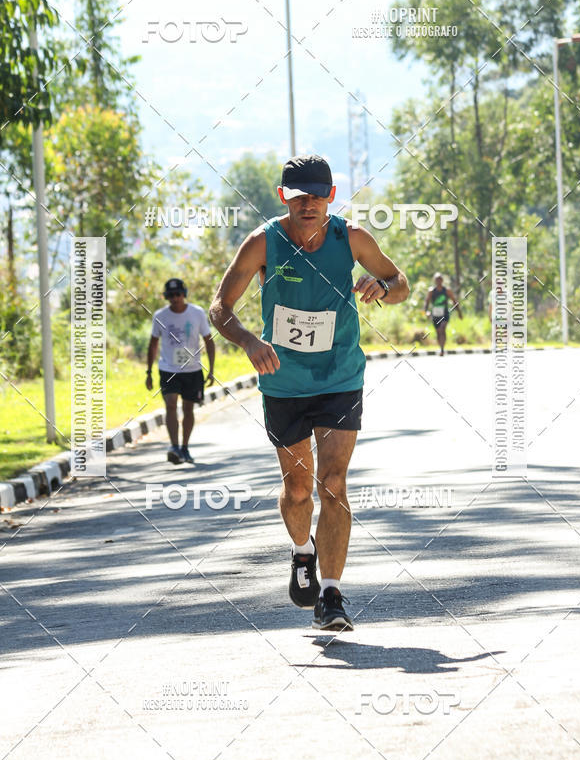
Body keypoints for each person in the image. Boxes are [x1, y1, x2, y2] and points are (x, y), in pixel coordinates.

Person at [210, 155, 409, 631]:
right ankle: (303, 552)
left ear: (331, 196)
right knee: (299, 490)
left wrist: (381, 289)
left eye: (317, 195)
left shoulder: (352, 237)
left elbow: (400, 283)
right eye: (299, 196)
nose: (309, 204)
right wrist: (249, 341)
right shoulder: (263, 243)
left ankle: (332, 594)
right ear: (284, 197)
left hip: (340, 375)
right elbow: (220, 307)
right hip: (284, 381)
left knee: (333, 484)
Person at [146, 278, 215, 465]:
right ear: (167, 297)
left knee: (188, 408)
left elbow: (209, 340)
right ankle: (174, 446)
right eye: (171, 296)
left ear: (184, 294)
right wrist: (148, 372)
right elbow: (153, 344)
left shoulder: (197, 313)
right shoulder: (161, 316)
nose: (175, 299)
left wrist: (211, 369)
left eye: (178, 294)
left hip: (192, 369)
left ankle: (185, 447)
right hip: (169, 368)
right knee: (170, 404)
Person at [424, 272, 462, 356]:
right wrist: (426, 311)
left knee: (442, 329)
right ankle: (441, 347)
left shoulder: (447, 290)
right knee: (438, 332)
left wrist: (459, 312)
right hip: (435, 314)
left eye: (440, 279)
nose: (438, 281)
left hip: (444, 314)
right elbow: (426, 302)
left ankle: (442, 349)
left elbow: (454, 301)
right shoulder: (431, 291)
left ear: (442, 280)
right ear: (434, 280)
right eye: (437, 279)